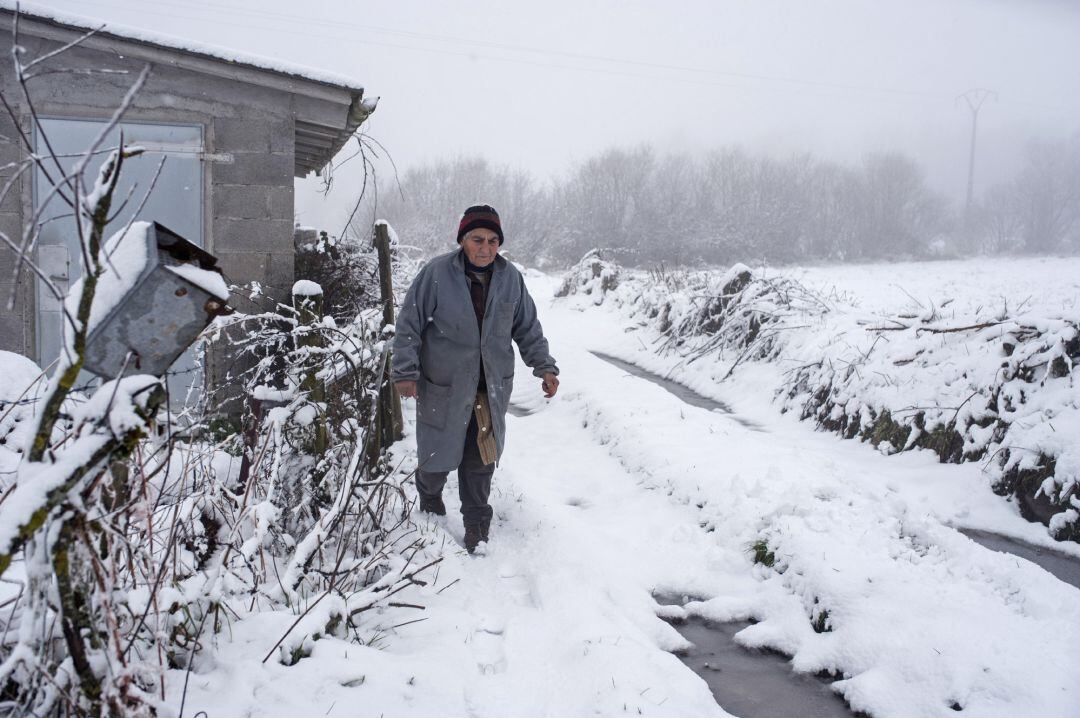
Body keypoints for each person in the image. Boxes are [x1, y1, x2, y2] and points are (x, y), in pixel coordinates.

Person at [392, 204, 559, 553]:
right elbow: (410, 323)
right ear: (463, 240)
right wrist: (405, 371)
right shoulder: (436, 274)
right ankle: (430, 497)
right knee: (436, 458)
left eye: (493, 241)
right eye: (477, 239)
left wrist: (544, 366)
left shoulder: (511, 278)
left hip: (489, 388)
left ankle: (476, 525)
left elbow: (527, 327)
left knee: (481, 459)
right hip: (445, 385)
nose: (485, 248)